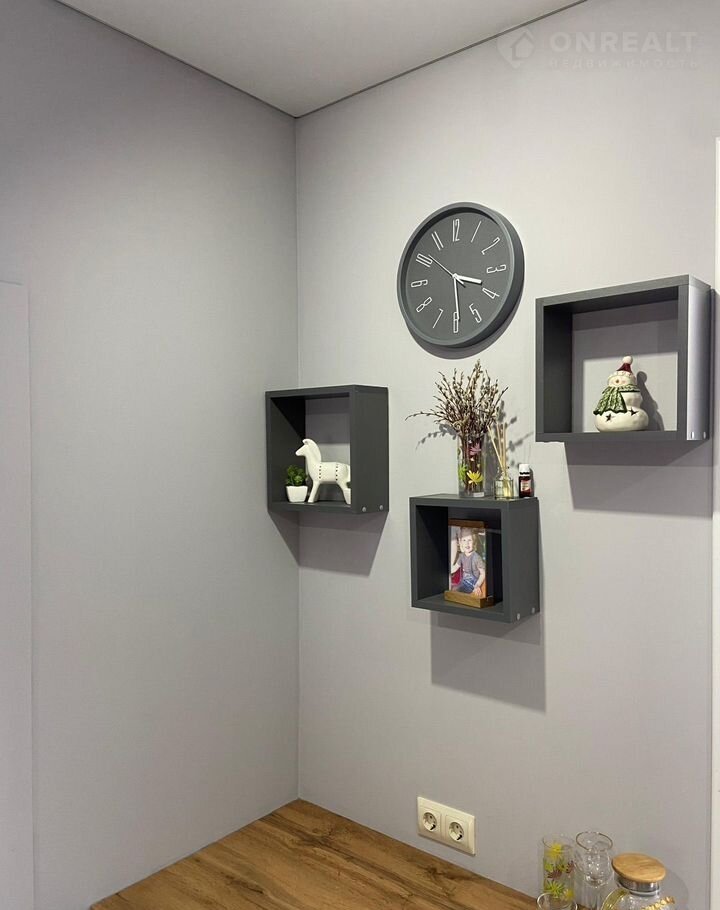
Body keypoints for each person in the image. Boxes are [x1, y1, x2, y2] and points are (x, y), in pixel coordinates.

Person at [450, 527, 486, 597]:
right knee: (453, 590)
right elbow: (455, 567)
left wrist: (477, 585)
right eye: (464, 540)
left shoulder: (477, 558)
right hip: (464, 583)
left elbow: (483, 573)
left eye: (469, 540)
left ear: (474, 541)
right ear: (460, 542)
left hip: (474, 584)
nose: (467, 543)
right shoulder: (461, 556)